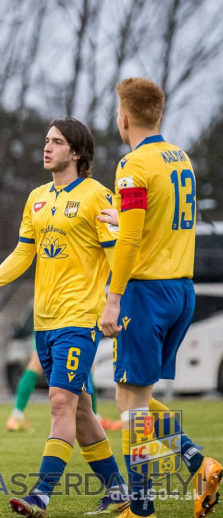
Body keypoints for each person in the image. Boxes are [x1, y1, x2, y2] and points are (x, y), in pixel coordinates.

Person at [0, 118, 129, 517]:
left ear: (77, 152)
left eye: (56, 142)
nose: (47, 147)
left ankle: (40, 495)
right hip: (45, 322)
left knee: (59, 403)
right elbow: (22, 255)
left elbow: (116, 257)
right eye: (46, 141)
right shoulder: (36, 197)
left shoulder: (97, 196)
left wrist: (113, 303)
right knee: (81, 410)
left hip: (79, 319)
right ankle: (118, 492)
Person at [98, 77, 221, 518]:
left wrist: (113, 300)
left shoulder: (133, 164)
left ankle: (142, 506)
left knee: (130, 405)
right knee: (131, 398)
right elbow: (158, 219)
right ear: (160, 115)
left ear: (124, 118)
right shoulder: (179, 158)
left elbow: (128, 243)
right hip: (181, 289)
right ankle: (198, 464)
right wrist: (125, 212)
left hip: (146, 292)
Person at [7, 345, 121, 433]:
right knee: (84, 362)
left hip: (44, 321)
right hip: (65, 321)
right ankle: (95, 418)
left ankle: (16, 415)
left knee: (35, 364)